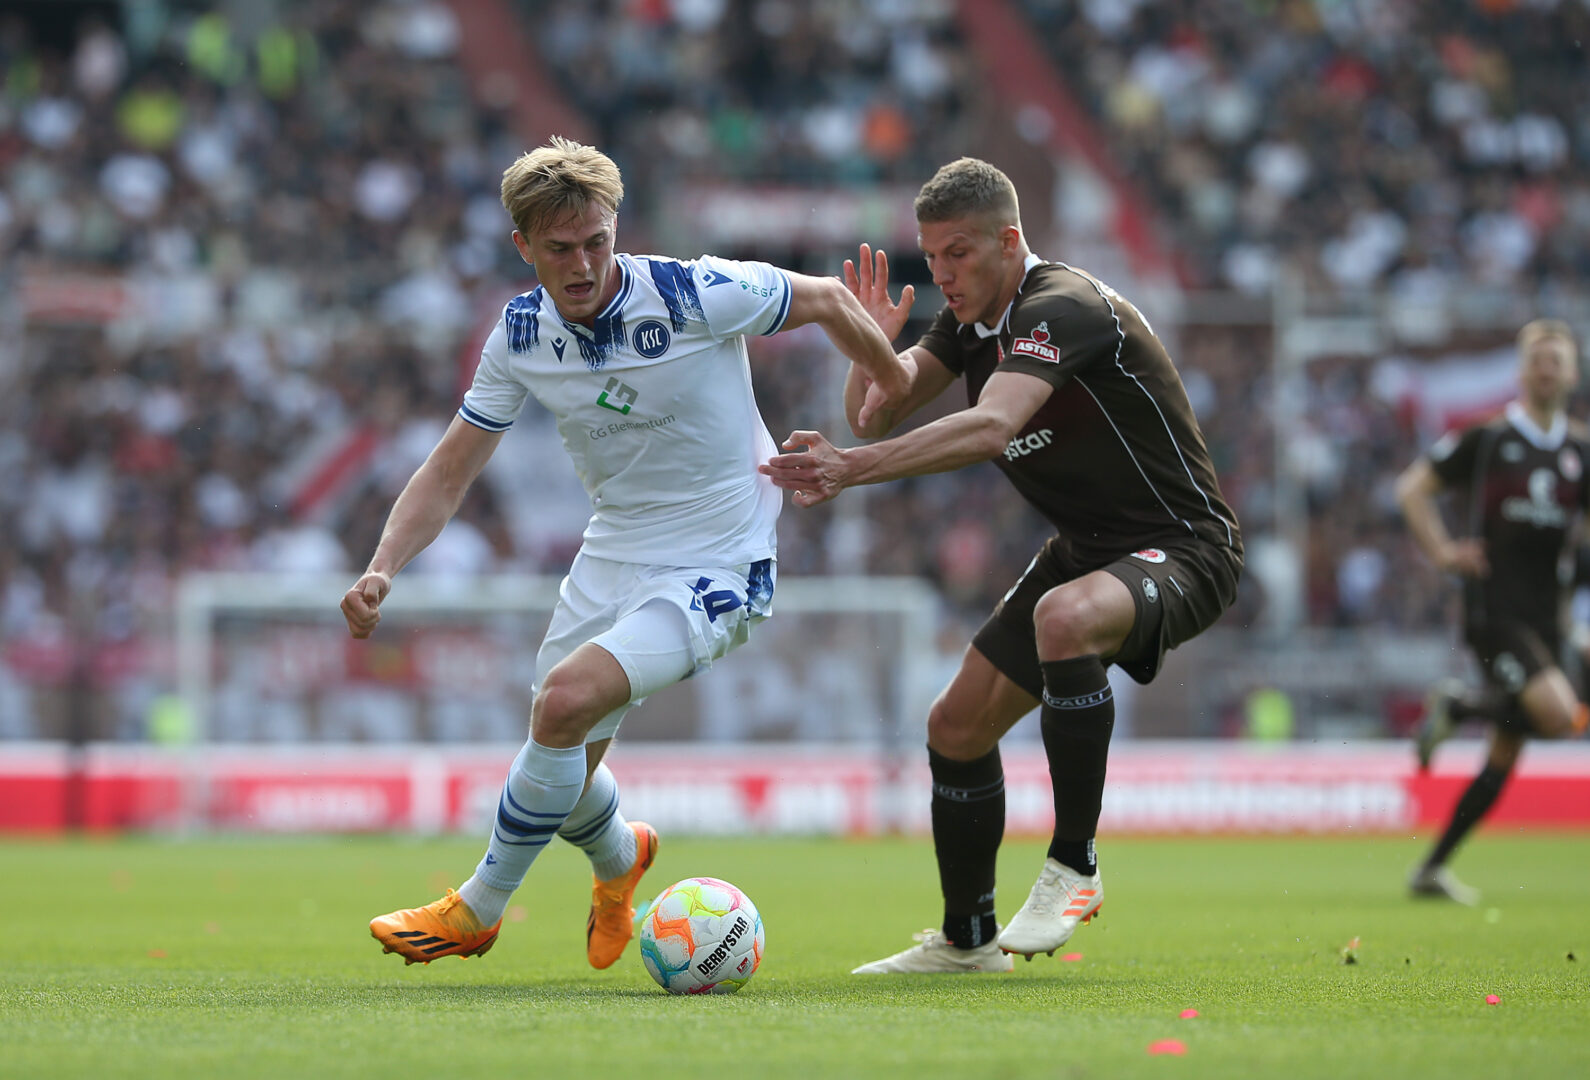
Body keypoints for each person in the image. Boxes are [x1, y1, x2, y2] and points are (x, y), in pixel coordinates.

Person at [343, 136, 907, 968]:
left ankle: (479, 908)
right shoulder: (521, 333)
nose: (583, 264)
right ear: (523, 247)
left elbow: (824, 297)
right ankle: (619, 861)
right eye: (561, 249)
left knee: (563, 703)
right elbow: (452, 467)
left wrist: (889, 382)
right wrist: (384, 564)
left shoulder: (691, 291)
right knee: (562, 763)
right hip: (613, 551)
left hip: (719, 559)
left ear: (617, 229)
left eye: (597, 241)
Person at [760, 157, 1243, 973]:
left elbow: (990, 427)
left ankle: (1075, 865)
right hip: (1087, 551)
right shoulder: (969, 322)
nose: (942, 274)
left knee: (1065, 618)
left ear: (1009, 240)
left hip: (1186, 545)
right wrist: (867, 346)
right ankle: (968, 941)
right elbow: (874, 410)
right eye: (931, 255)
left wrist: (851, 468)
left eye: (958, 253)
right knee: (954, 726)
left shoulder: (1062, 307)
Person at [1396, 319, 1590, 904]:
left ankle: (1430, 870)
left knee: (1510, 745)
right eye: (1537, 356)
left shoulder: (1581, 451)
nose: (1547, 365)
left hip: (1550, 618)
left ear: (1574, 373)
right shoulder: (1489, 438)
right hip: (1495, 611)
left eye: (1558, 357)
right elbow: (1413, 489)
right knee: (1559, 714)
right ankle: (1458, 704)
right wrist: (1445, 554)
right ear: (1522, 370)